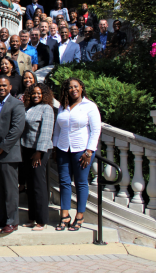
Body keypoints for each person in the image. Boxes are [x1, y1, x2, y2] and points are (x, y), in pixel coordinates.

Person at [53, 77, 100, 232]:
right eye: (69, 87)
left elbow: (95, 130)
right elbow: (58, 129)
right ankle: (64, 215)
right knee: (64, 182)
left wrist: (89, 151)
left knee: (80, 183)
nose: (73, 90)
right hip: (63, 149)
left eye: (75, 86)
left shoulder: (89, 106)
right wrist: (55, 147)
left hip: (82, 150)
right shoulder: (63, 106)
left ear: (81, 87)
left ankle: (80, 215)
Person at [0, 77, 26, 235]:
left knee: (10, 190)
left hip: (8, 154)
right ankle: (0, 218)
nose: (1, 88)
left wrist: (1, 148)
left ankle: (12, 221)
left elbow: (17, 129)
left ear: (10, 87)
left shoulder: (17, 104)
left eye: (4, 86)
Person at [20, 83, 55, 231]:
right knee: (31, 185)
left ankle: (42, 220)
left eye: (39, 93)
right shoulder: (28, 108)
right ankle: (32, 217)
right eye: (33, 93)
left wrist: (39, 152)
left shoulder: (47, 109)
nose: (36, 96)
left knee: (39, 185)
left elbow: (46, 131)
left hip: (39, 151)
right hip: (27, 149)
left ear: (45, 94)